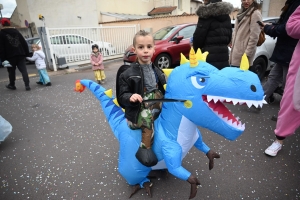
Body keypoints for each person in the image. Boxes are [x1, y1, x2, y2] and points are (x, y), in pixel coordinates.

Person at [116, 30, 167, 167]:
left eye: (149, 47)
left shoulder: (157, 70)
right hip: (138, 109)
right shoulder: (127, 73)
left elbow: (162, 89)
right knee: (146, 118)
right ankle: (145, 149)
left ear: (154, 49)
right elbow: (122, 96)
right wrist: (130, 96)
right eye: (141, 47)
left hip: (155, 102)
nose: (145, 51)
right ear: (134, 49)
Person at [265, 5, 300, 157]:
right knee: (289, 96)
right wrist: (270, 29)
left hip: (286, 53)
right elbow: (290, 26)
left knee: (280, 82)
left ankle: (260, 99)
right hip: (286, 54)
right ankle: (279, 139)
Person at [262, 0, 300, 104]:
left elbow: (288, 28)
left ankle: (287, 115)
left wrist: (268, 28)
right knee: (273, 77)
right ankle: (259, 100)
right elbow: (285, 25)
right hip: (284, 52)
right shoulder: (292, 3)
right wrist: (271, 25)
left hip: (291, 54)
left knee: (288, 85)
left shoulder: (296, 4)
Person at [193, 0, 233, 70]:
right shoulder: (227, 17)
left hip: (207, 57)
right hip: (224, 56)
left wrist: (196, 50)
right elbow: (229, 37)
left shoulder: (205, 16)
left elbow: (198, 39)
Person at [229, 0, 262, 71]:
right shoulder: (241, 12)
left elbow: (254, 37)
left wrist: (247, 55)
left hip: (243, 56)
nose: (246, 1)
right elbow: (235, 31)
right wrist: (232, 41)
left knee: (240, 80)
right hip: (235, 54)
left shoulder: (255, 13)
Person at [0, 18, 31, 91]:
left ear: (2, 24)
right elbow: (24, 43)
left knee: (11, 71)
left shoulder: (1, 34)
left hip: (10, 56)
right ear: (9, 24)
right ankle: (27, 85)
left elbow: (1, 48)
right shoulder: (17, 32)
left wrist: (3, 59)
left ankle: (12, 84)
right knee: (24, 70)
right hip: (20, 54)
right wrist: (26, 53)